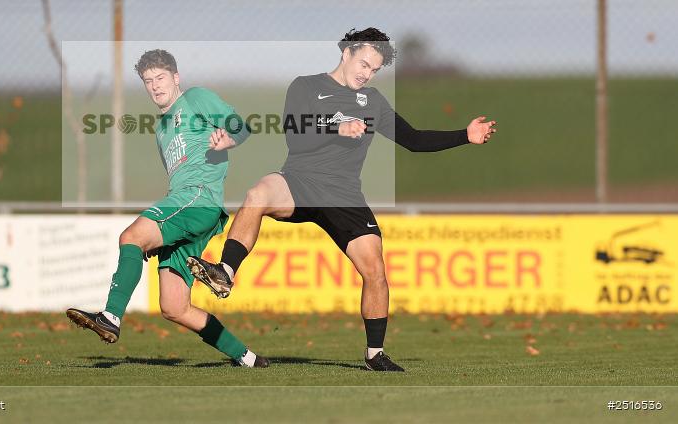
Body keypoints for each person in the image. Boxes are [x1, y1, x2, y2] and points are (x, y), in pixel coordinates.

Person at [188, 28, 497, 372]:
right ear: (347, 52)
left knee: (375, 270)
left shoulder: (373, 102)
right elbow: (294, 132)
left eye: (374, 69)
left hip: (344, 195)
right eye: (364, 64)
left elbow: (413, 140)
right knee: (257, 194)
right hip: (300, 182)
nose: (367, 74)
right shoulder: (305, 86)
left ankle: (375, 355)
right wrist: (337, 127)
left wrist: (465, 136)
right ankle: (225, 271)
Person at [67, 49, 269, 368]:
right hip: (185, 206)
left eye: (160, 77)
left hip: (198, 198)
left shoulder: (196, 98)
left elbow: (241, 126)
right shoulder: (161, 129)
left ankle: (111, 317)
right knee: (174, 307)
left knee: (130, 237)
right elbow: (177, 180)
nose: (155, 86)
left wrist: (228, 141)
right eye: (148, 81)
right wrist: (160, 234)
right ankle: (248, 358)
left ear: (176, 77)